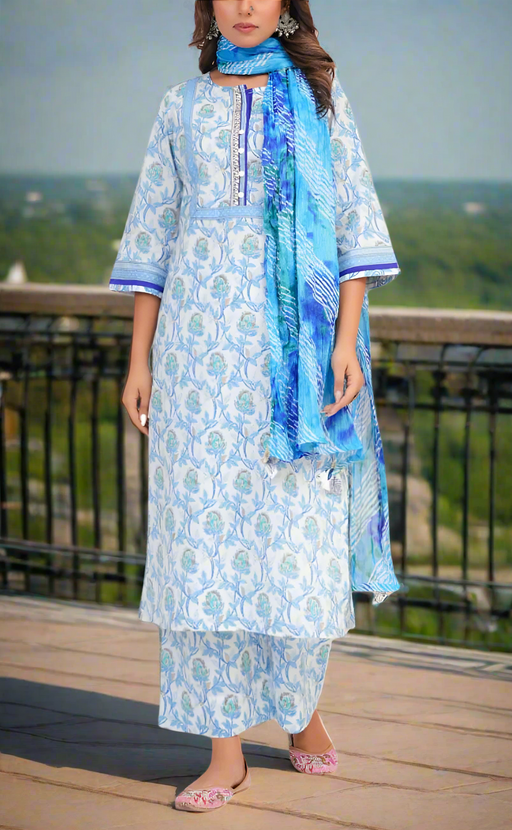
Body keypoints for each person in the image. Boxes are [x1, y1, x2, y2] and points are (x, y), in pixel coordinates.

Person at [109, 0, 401, 813]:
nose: (244, 6)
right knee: (202, 544)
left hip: (295, 368)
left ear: (285, 7)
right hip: (198, 362)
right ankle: (225, 750)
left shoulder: (320, 102)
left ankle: (300, 711)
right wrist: (139, 361)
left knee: (295, 541)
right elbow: (151, 236)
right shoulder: (181, 106)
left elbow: (355, 224)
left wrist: (344, 344)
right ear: (207, 7)